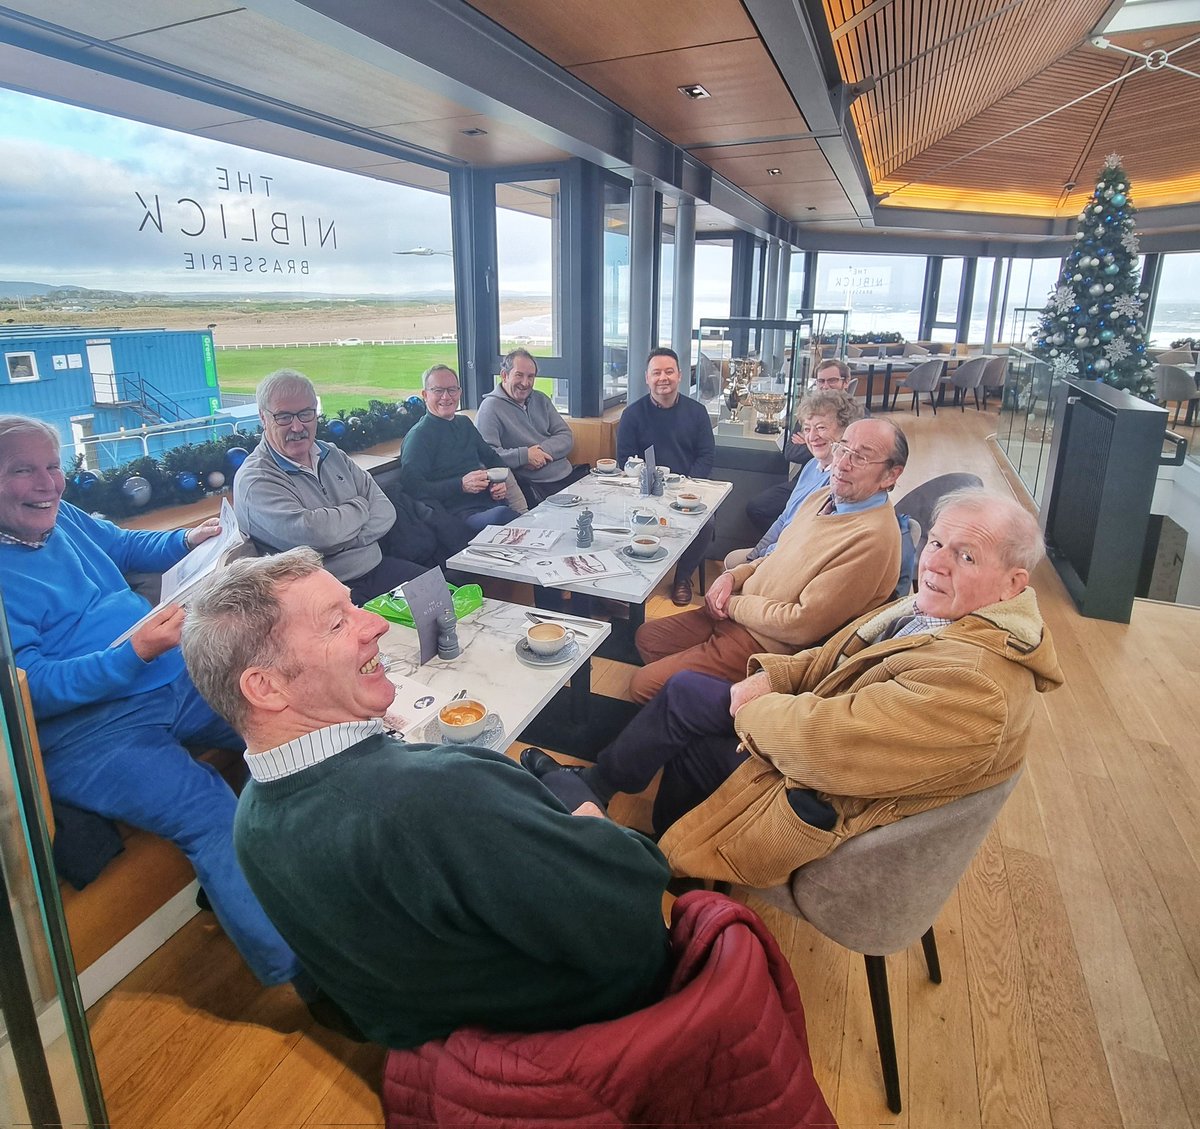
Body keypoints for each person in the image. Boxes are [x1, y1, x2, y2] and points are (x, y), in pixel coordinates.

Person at [180, 548, 671, 1049]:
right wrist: (588, 816)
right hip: (585, 1036)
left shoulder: (248, 821)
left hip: (434, 1048)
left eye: (354, 606)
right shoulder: (444, 795)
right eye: (335, 624)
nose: (375, 624)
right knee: (572, 790)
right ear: (265, 687)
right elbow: (631, 914)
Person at [522, 489, 1064, 888]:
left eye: (966, 556)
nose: (936, 563)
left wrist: (752, 706)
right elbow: (833, 656)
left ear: (1014, 584)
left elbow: (830, 751)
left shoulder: (976, 686)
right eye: (938, 542)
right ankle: (601, 783)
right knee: (686, 691)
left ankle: (665, 870)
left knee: (689, 739)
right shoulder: (942, 609)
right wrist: (770, 677)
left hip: (816, 800)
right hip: (814, 716)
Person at [0, 415, 304, 997]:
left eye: (53, 467)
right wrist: (133, 653)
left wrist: (189, 541)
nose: (48, 484)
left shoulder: (61, 516)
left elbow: (125, 544)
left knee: (286, 718)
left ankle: (327, 867)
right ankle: (301, 976)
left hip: (167, 674)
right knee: (208, 808)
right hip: (88, 730)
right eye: (24, 471)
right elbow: (29, 687)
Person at [624, 417, 907, 703]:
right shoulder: (824, 497)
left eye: (861, 457)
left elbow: (800, 624)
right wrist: (731, 577)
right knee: (648, 638)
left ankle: (705, 707)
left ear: (890, 475)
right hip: (740, 614)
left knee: (641, 685)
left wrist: (732, 604)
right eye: (842, 448)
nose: (842, 464)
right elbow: (774, 554)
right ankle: (692, 698)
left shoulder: (872, 539)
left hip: (764, 644)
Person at [234, 369, 426, 605]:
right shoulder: (256, 480)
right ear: (263, 418)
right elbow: (317, 535)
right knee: (393, 638)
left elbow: (385, 512)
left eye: (305, 414)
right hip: (320, 594)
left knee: (443, 600)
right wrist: (358, 508)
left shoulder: (332, 453)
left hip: (376, 568)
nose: (297, 427)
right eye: (284, 417)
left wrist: (338, 542)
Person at [617, 348, 717, 606]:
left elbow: (706, 455)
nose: (663, 378)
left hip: (688, 488)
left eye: (669, 371)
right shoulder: (632, 415)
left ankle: (683, 577)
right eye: (657, 372)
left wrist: (686, 487)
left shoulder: (697, 412)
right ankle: (634, 576)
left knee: (707, 524)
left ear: (680, 376)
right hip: (644, 489)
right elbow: (625, 459)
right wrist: (647, 483)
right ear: (647, 378)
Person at [724, 390, 861, 569]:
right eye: (806, 429)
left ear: (845, 430)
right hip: (780, 552)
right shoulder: (812, 466)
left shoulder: (840, 482)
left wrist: (758, 565)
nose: (812, 437)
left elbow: (804, 540)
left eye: (821, 427)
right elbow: (784, 519)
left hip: (798, 562)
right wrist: (755, 555)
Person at [399, 364, 522, 533]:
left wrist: (498, 483)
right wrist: (460, 485)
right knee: (504, 517)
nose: (446, 397)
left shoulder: (464, 424)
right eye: (438, 390)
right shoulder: (419, 436)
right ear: (425, 395)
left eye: (452, 390)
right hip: (456, 516)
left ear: (460, 392)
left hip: (489, 502)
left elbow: (492, 458)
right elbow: (413, 488)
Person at [745, 359, 856, 534]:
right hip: (806, 478)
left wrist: (813, 445)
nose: (825, 386)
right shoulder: (811, 409)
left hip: (822, 491)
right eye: (821, 381)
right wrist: (819, 448)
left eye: (832, 380)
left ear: (846, 382)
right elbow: (790, 452)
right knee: (760, 508)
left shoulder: (857, 419)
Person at [475, 348, 588, 505]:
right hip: (534, 488)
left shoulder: (541, 399)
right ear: (504, 375)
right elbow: (487, 455)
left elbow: (566, 436)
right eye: (519, 375)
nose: (525, 383)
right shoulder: (490, 408)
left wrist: (540, 452)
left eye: (531, 376)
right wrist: (524, 456)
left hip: (568, 477)